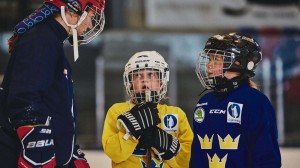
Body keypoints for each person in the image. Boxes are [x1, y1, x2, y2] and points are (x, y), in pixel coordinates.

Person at [0, 0, 105, 167]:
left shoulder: (50, 40)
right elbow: (24, 98)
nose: (90, 23)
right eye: (91, 16)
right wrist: (37, 151)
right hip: (21, 155)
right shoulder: (41, 39)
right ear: (73, 11)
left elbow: (55, 109)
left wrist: (70, 153)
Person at [190, 32, 282, 167]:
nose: (209, 65)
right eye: (209, 59)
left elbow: (266, 159)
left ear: (238, 62)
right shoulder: (205, 102)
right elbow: (197, 157)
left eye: (216, 59)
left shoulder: (255, 101)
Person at [102, 51, 194, 168]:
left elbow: (187, 160)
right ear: (130, 82)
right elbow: (113, 153)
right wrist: (130, 132)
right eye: (138, 76)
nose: (145, 81)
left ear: (161, 81)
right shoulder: (117, 111)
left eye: (151, 75)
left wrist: (168, 146)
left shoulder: (176, 114)